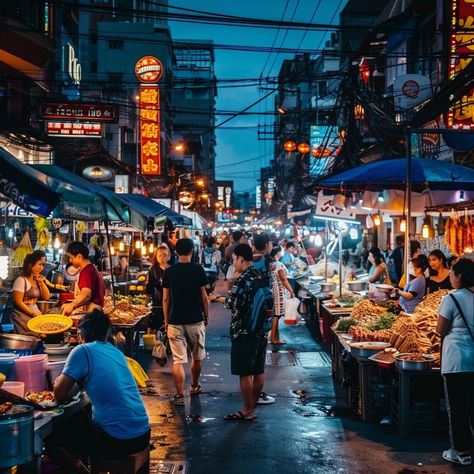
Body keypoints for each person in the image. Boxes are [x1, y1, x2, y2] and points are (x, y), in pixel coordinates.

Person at [51, 309, 150, 472]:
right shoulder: (116, 352)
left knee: (55, 436)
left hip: (119, 438)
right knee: (82, 424)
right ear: (106, 334)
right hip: (142, 433)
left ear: (80, 334)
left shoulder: (82, 351)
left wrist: (58, 383)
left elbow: (58, 395)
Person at [222, 243, 267, 420]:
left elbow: (235, 304)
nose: (234, 264)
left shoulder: (243, 278)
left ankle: (247, 409)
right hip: (260, 330)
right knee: (258, 370)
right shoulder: (259, 274)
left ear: (241, 258)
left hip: (244, 331)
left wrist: (223, 299)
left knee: (245, 372)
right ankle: (252, 405)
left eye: (234, 260)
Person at [436, 258, 474, 467]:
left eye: (452, 273)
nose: (449, 276)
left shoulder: (451, 299)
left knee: (457, 408)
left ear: (460, 276)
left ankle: (462, 452)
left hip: (456, 361)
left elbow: (440, 330)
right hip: (473, 360)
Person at [162, 238, 209, 405]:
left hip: (175, 321)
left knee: (178, 360)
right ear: (192, 252)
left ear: (175, 252)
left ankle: (180, 395)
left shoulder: (169, 272)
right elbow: (204, 297)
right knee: (197, 357)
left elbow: (166, 299)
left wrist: (167, 320)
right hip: (195, 320)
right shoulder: (198, 270)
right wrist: (206, 315)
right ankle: (194, 386)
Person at [11, 251, 51, 334]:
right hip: (22, 317)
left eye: (43, 265)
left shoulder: (36, 280)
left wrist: (41, 283)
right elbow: (17, 301)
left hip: (35, 315)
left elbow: (47, 297)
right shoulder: (21, 280)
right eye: (39, 264)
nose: (41, 267)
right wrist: (32, 313)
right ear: (30, 265)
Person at [61, 242, 105, 316]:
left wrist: (72, 305)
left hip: (93, 313)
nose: (70, 261)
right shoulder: (91, 268)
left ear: (79, 256)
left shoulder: (86, 271)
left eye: (71, 258)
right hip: (96, 311)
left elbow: (86, 294)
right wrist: (72, 305)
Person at [269, 246, 295, 344]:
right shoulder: (278, 265)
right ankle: (273, 339)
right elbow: (284, 280)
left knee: (276, 315)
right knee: (277, 315)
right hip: (279, 292)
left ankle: (275, 337)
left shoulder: (270, 264)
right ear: (278, 253)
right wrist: (291, 291)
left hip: (273, 290)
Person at [146, 244, 171, 333]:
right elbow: (149, 288)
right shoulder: (152, 269)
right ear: (156, 256)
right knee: (153, 326)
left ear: (168, 256)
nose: (162, 257)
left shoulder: (172, 269)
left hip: (169, 304)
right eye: (159, 255)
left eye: (164, 255)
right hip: (156, 303)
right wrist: (147, 302)